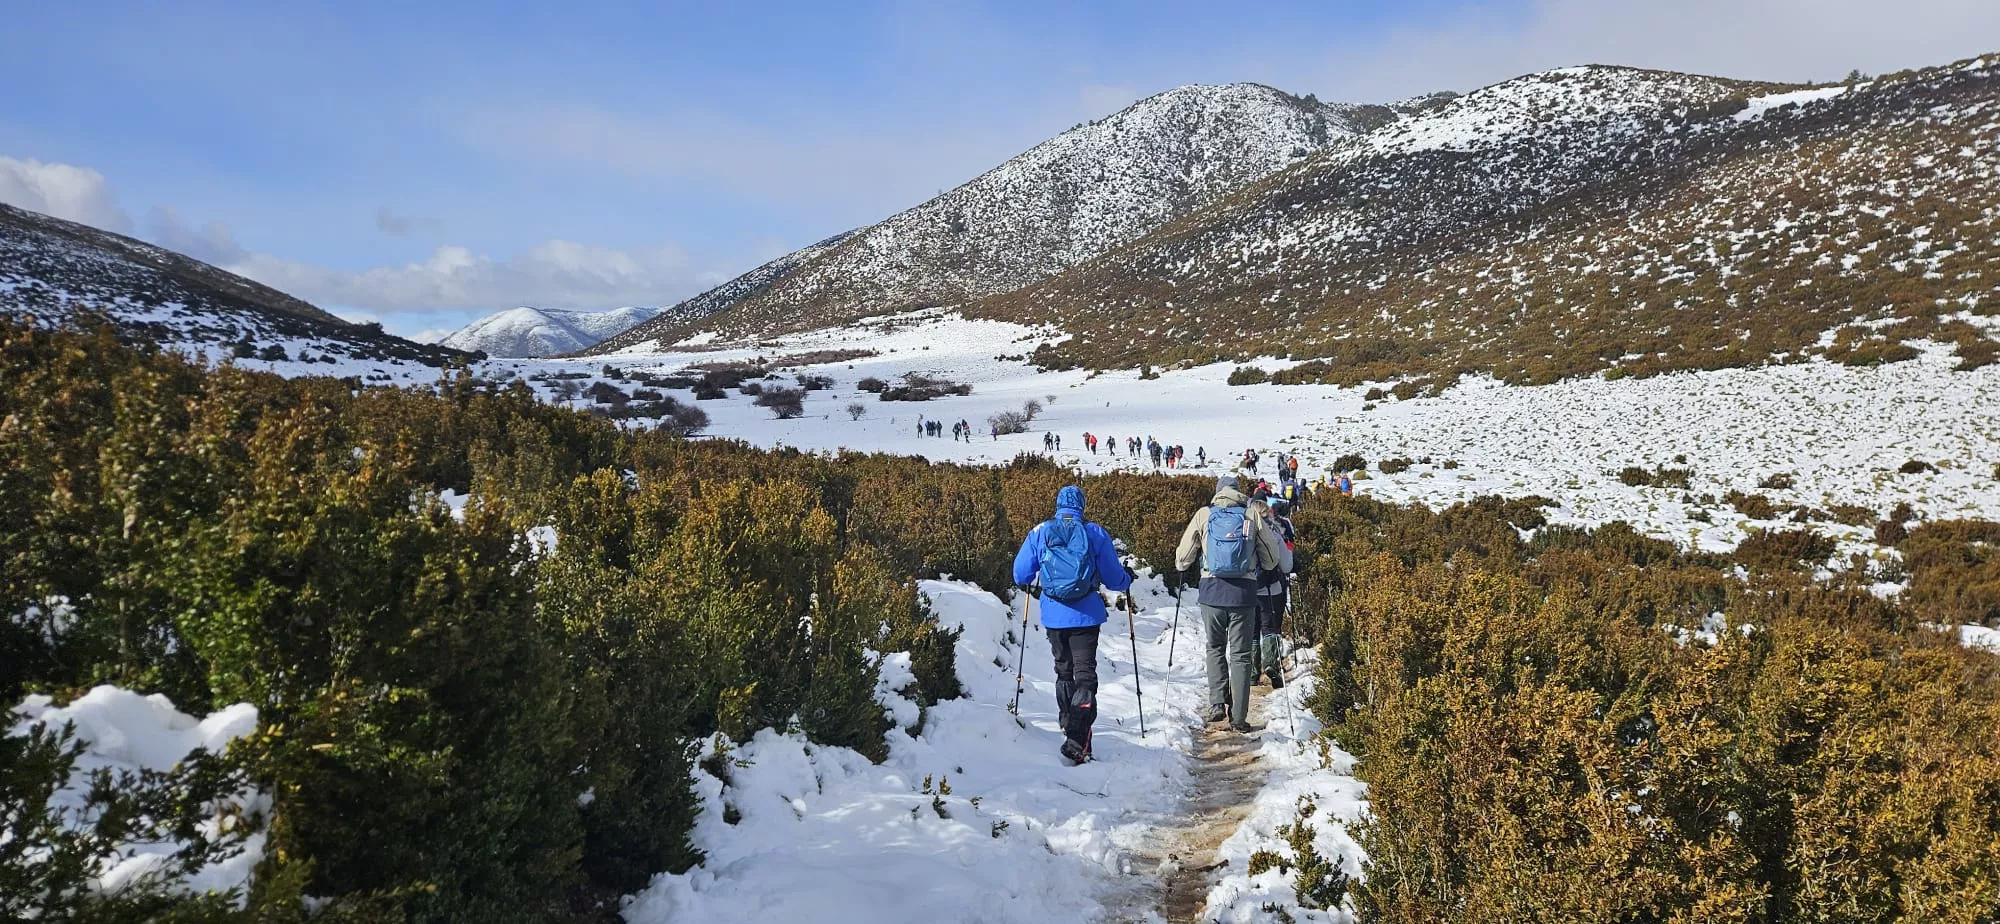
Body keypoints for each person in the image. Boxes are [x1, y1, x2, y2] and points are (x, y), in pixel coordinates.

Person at [1012, 485, 1134, 765]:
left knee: (1063, 671)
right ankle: (1078, 739)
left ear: (1058, 505)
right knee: (1085, 675)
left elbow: (1020, 573)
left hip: (1053, 614)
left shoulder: (1040, 531)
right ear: (1082, 505)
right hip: (1086, 616)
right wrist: (1127, 579)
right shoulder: (1094, 533)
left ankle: (1070, 727)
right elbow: (1115, 578)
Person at [1175, 474, 1288, 733]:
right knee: (1240, 655)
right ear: (1239, 493)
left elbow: (1182, 557)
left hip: (1211, 593)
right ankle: (1238, 718)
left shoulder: (1204, 514)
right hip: (1244, 595)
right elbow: (1271, 557)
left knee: (1215, 647)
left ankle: (1216, 703)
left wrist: (1186, 565)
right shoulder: (1251, 514)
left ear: (1217, 493)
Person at [1251, 495, 1296, 688]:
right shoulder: (1275, 533)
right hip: (1271, 589)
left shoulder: (1244, 533)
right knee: (1270, 628)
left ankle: (1252, 673)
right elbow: (1286, 566)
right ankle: (1271, 664)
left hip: (1248, 588)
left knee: (1252, 630)